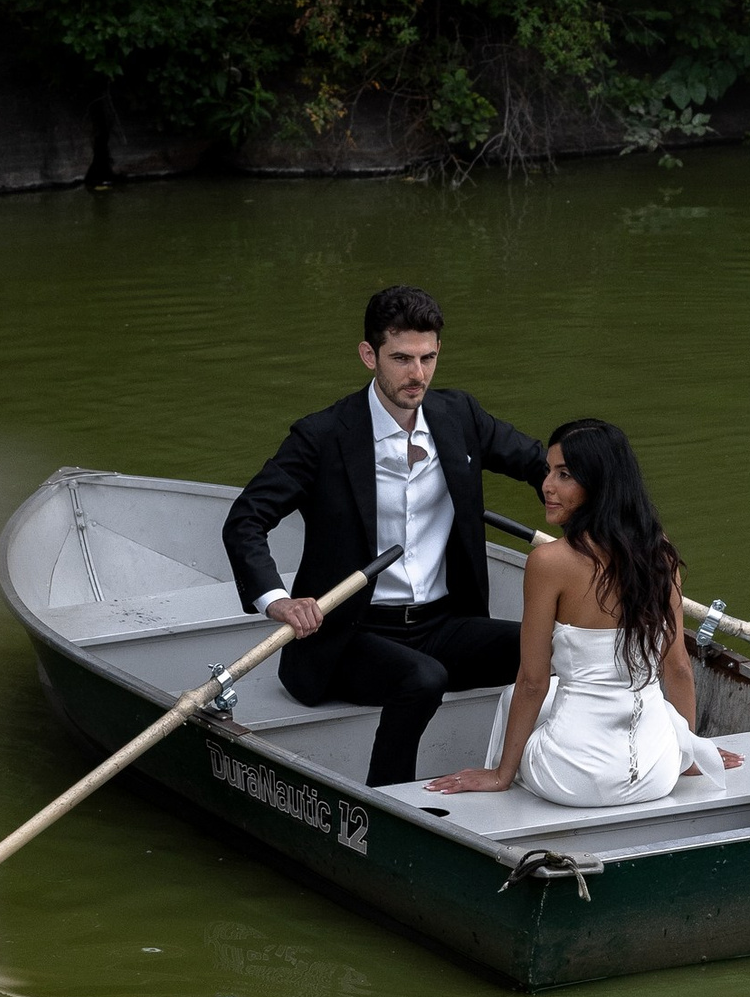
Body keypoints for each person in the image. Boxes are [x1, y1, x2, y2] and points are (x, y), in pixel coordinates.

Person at [222, 285, 550, 786]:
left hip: (442, 625)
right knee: (422, 678)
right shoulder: (322, 436)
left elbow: (542, 465)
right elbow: (246, 519)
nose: (417, 375)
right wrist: (279, 602)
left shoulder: (459, 416)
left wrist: (613, 528)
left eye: (428, 358)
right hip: (349, 634)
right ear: (368, 355)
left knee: (552, 649)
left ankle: (534, 771)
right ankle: (387, 800)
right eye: (401, 358)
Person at [427, 416, 742, 808]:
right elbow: (677, 668)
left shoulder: (549, 562)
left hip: (575, 779)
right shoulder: (660, 555)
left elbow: (532, 681)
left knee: (514, 696)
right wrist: (688, 753)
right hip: (657, 774)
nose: (546, 486)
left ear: (598, 484)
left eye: (564, 475)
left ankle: (503, 786)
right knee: (645, 703)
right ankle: (676, 747)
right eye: (548, 471)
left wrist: (501, 773)